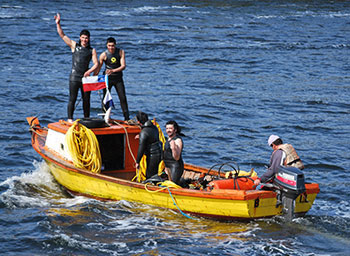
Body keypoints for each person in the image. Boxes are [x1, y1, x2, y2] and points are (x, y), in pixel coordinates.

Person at [54, 13, 98, 122]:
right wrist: (58, 24)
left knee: (86, 100)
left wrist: (89, 71)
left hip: (85, 79)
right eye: (83, 38)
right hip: (74, 77)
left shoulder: (92, 50)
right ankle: (70, 119)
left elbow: (96, 64)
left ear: (89, 39)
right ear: (80, 38)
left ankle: (86, 119)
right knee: (72, 99)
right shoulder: (74, 45)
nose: (84, 40)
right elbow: (62, 35)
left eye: (86, 38)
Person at [94, 37, 129, 121]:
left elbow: (123, 66)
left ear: (115, 45)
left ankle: (127, 118)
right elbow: (99, 67)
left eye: (112, 46)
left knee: (122, 98)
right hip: (107, 79)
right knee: (105, 98)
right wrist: (95, 76)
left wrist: (113, 70)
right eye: (109, 46)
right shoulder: (104, 55)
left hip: (118, 79)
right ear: (107, 45)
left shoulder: (120, 52)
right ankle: (104, 117)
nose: (111, 48)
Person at [135, 112, 162, 179]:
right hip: (159, 153)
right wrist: (141, 136)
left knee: (150, 176)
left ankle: (151, 187)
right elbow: (151, 137)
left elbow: (141, 148)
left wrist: (137, 162)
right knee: (154, 173)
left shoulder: (143, 132)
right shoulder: (154, 127)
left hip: (152, 156)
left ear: (138, 122)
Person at [163, 120, 185, 185]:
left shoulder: (178, 140)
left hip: (175, 166)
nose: (168, 130)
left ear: (175, 130)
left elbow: (177, 158)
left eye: (170, 128)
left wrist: (174, 148)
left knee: (172, 185)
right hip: (167, 165)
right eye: (167, 128)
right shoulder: (168, 139)